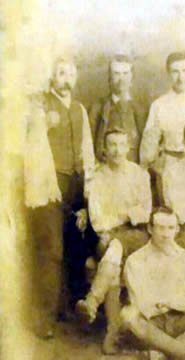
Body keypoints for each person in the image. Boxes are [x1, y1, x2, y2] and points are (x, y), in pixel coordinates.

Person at [28, 57, 95, 338]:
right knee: (52, 251)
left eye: (70, 73)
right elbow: (33, 148)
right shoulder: (40, 108)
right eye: (60, 73)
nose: (65, 78)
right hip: (49, 184)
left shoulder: (79, 109)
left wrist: (88, 189)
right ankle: (44, 316)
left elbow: (87, 149)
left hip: (76, 184)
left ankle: (64, 306)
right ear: (52, 77)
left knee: (72, 248)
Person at [75, 129, 152, 353]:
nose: (117, 150)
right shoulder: (97, 178)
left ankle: (94, 304)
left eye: (121, 145)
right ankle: (112, 329)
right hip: (107, 237)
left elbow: (146, 212)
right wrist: (128, 213)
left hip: (137, 235)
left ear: (129, 147)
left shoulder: (140, 174)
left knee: (115, 250)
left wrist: (121, 216)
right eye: (112, 145)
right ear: (105, 149)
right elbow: (98, 222)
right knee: (114, 249)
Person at [120, 207, 185, 360]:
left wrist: (169, 302)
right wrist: (176, 301)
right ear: (150, 229)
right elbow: (142, 304)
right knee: (128, 316)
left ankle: (165, 353)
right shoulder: (136, 260)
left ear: (177, 229)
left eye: (171, 228)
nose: (165, 234)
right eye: (160, 228)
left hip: (181, 321)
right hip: (152, 326)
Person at [88, 54, 147, 162]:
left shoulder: (140, 109)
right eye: (116, 74)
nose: (121, 79)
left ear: (132, 77)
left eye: (125, 73)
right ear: (109, 78)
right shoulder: (97, 108)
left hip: (132, 170)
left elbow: (146, 144)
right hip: (104, 170)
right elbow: (88, 143)